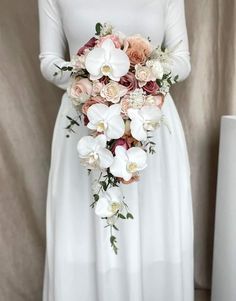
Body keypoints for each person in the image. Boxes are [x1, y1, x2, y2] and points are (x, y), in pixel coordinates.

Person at [38, 0, 194, 300]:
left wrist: (140, 72)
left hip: (150, 122)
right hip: (85, 122)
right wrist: (92, 71)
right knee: (86, 226)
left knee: (154, 228)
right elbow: (48, 60)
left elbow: (182, 60)